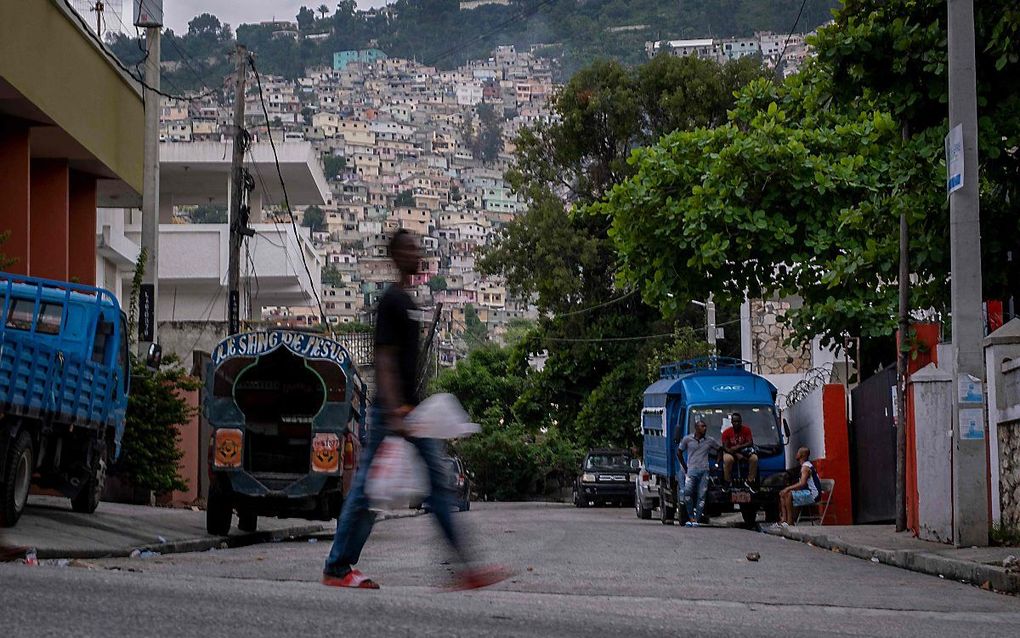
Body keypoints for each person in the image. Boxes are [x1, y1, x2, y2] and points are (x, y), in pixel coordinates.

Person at [323, 229, 505, 590]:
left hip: (411, 413)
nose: (416, 252)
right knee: (366, 492)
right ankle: (337, 566)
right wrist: (395, 411)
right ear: (395, 256)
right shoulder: (392, 300)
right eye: (408, 248)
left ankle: (465, 567)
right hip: (393, 414)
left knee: (437, 487)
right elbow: (385, 360)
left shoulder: (408, 301)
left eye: (417, 247)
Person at [678, 420, 721, 527]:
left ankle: (696, 519)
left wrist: (716, 464)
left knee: (701, 495)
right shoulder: (687, 439)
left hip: (704, 471)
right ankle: (691, 516)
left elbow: (720, 449)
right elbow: (679, 452)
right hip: (691, 470)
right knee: (687, 493)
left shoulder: (709, 440)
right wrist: (684, 466)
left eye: (705, 426)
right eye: (702, 426)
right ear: (696, 428)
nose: (705, 428)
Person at [778, 447, 821, 526]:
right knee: (783, 494)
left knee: (788, 494)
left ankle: (790, 521)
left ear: (803, 455)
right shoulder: (804, 466)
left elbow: (802, 483)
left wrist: (788, 488)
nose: (796, 454)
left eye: (798, 452)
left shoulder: (806, 467)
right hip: (806, 491)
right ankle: (784, 520)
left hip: (813, 494)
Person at [721, 412, 758, 486]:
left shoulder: (746, 430)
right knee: (728, 459)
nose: (737, 423)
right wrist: (736, 454)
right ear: (731, 422)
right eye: (735, 421)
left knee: (754, 458)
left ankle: (750, 481)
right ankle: (727, 481)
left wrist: (739, 447)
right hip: (731, 452)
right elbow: (725, 448)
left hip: (745, 451)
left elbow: (750, 442)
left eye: (738, 421)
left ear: (741, 421)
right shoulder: (726, 432)